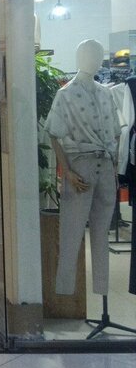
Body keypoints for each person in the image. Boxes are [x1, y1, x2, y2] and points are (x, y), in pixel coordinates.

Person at [45, 39, 120, 298]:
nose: (95, 60)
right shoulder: (65, 94)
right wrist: (67, 171)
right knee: (71, 232)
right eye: (89, 55)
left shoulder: (106, 93)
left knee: (101, 233)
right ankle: (64, 292)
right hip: (81, 166)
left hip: (105, 165)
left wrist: (114, 169)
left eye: (98, 55)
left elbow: (116, 132)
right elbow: (53, 134)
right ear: (79, 58)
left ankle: (102, 290)